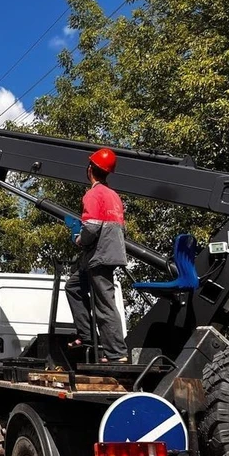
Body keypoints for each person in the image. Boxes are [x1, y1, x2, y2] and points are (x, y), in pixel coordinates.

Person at [64, 148, 128, 363]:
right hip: (106, 253)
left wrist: (78, 238)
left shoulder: (93, 194)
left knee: (104, 304)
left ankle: (116, 353)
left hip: (99, 256)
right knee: (73, 287)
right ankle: (88, 336)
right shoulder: (114, 195)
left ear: (90, 169)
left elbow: (91, 228)